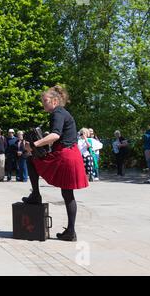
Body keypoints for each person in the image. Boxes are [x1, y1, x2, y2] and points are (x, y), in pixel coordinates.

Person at [23, 85, 88, 242]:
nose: (43, 104)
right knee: (67, 194)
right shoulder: (63, 113)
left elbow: (55, 135)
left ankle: (36, 195)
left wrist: (34, 145)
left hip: (65, 156)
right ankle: (71, 232)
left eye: (45, 101)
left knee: (31, 159)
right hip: (71, 155)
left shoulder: (57, 112)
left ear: (55, 100)